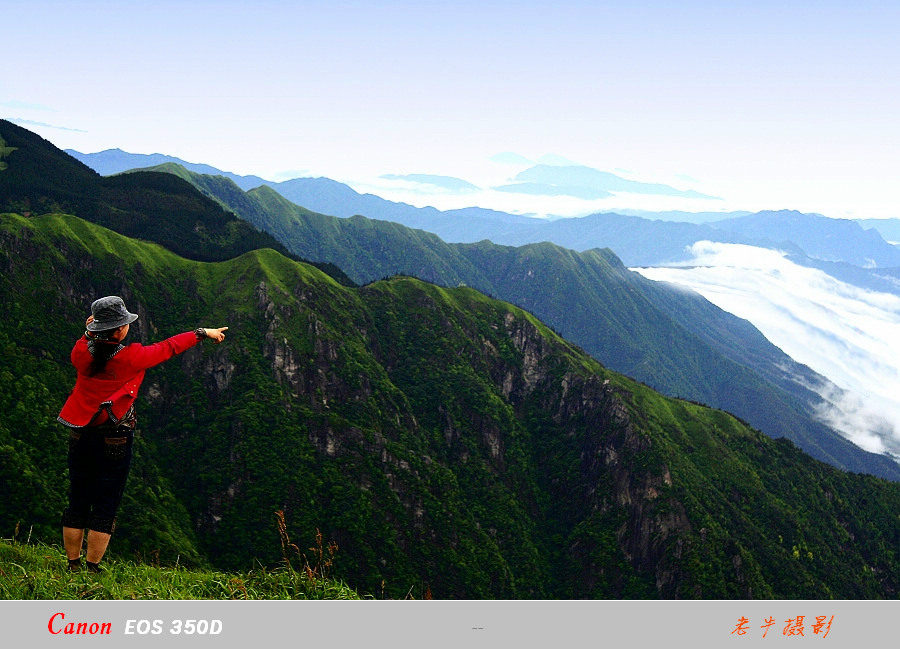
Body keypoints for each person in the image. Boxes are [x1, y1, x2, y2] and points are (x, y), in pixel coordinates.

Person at [56, 295, 227, 572]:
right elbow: (169, 347)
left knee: (78, 498)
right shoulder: (131, 357)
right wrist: (202, 333)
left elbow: (85, 343)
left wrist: (89, 332)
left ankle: (72, 563)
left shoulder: (80, 353)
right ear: (120, 329)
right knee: (106, 501)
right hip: (116, 435)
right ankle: (92, 567)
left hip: (80, 433)